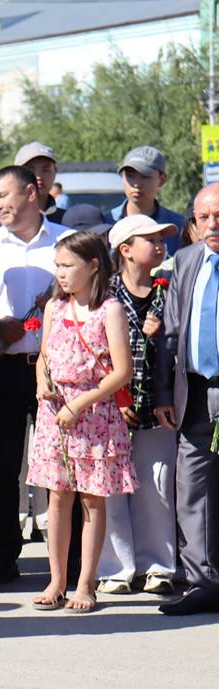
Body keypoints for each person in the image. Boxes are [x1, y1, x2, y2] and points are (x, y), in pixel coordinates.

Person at [0, 165, 71, 581]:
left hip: (56, 374)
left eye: (4, 195)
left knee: (64, 466)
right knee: (0, 464)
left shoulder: (65, 243)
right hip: (3, 368)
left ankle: (72, 561)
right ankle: (1, 556)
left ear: (33, 193)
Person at [29, 232, 136, 613]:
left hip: (94, 416)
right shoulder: (54, 308)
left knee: (92, 500)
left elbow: (122, 371)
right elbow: (43, 355)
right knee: (57, 498)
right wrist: (42, 380)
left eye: (67, 265)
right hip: (55, 415)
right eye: (57, 265)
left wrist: (82, 403)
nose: (60, 273)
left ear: (93, 266)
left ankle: (86, 582)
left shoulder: (110, 310)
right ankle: (57, 579)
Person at [99, 215, 179, 596]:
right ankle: (116, 567)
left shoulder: (170, 289)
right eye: (150, 239)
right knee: (112, 485)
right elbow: (98, 353)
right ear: (125, 250)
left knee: (157, 485)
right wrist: (117, 397)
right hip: (113, 405)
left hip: (158, 404)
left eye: (162, 239)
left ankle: (159, 566)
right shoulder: (105, 293)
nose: (160, 245)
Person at [153, 183, 219, 615]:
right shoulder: (189, 261)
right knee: (192, 488)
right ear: (192, 223)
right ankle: (204, 582)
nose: (213, 225)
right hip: (194, 391)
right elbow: (171, 333)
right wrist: (163, 391)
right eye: (204, 218)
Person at [110, 146, 185, 256]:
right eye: (130, 176)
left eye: (145, 177)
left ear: (162, 179)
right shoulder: (107, 222)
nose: (137, 184)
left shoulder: (178, 227)